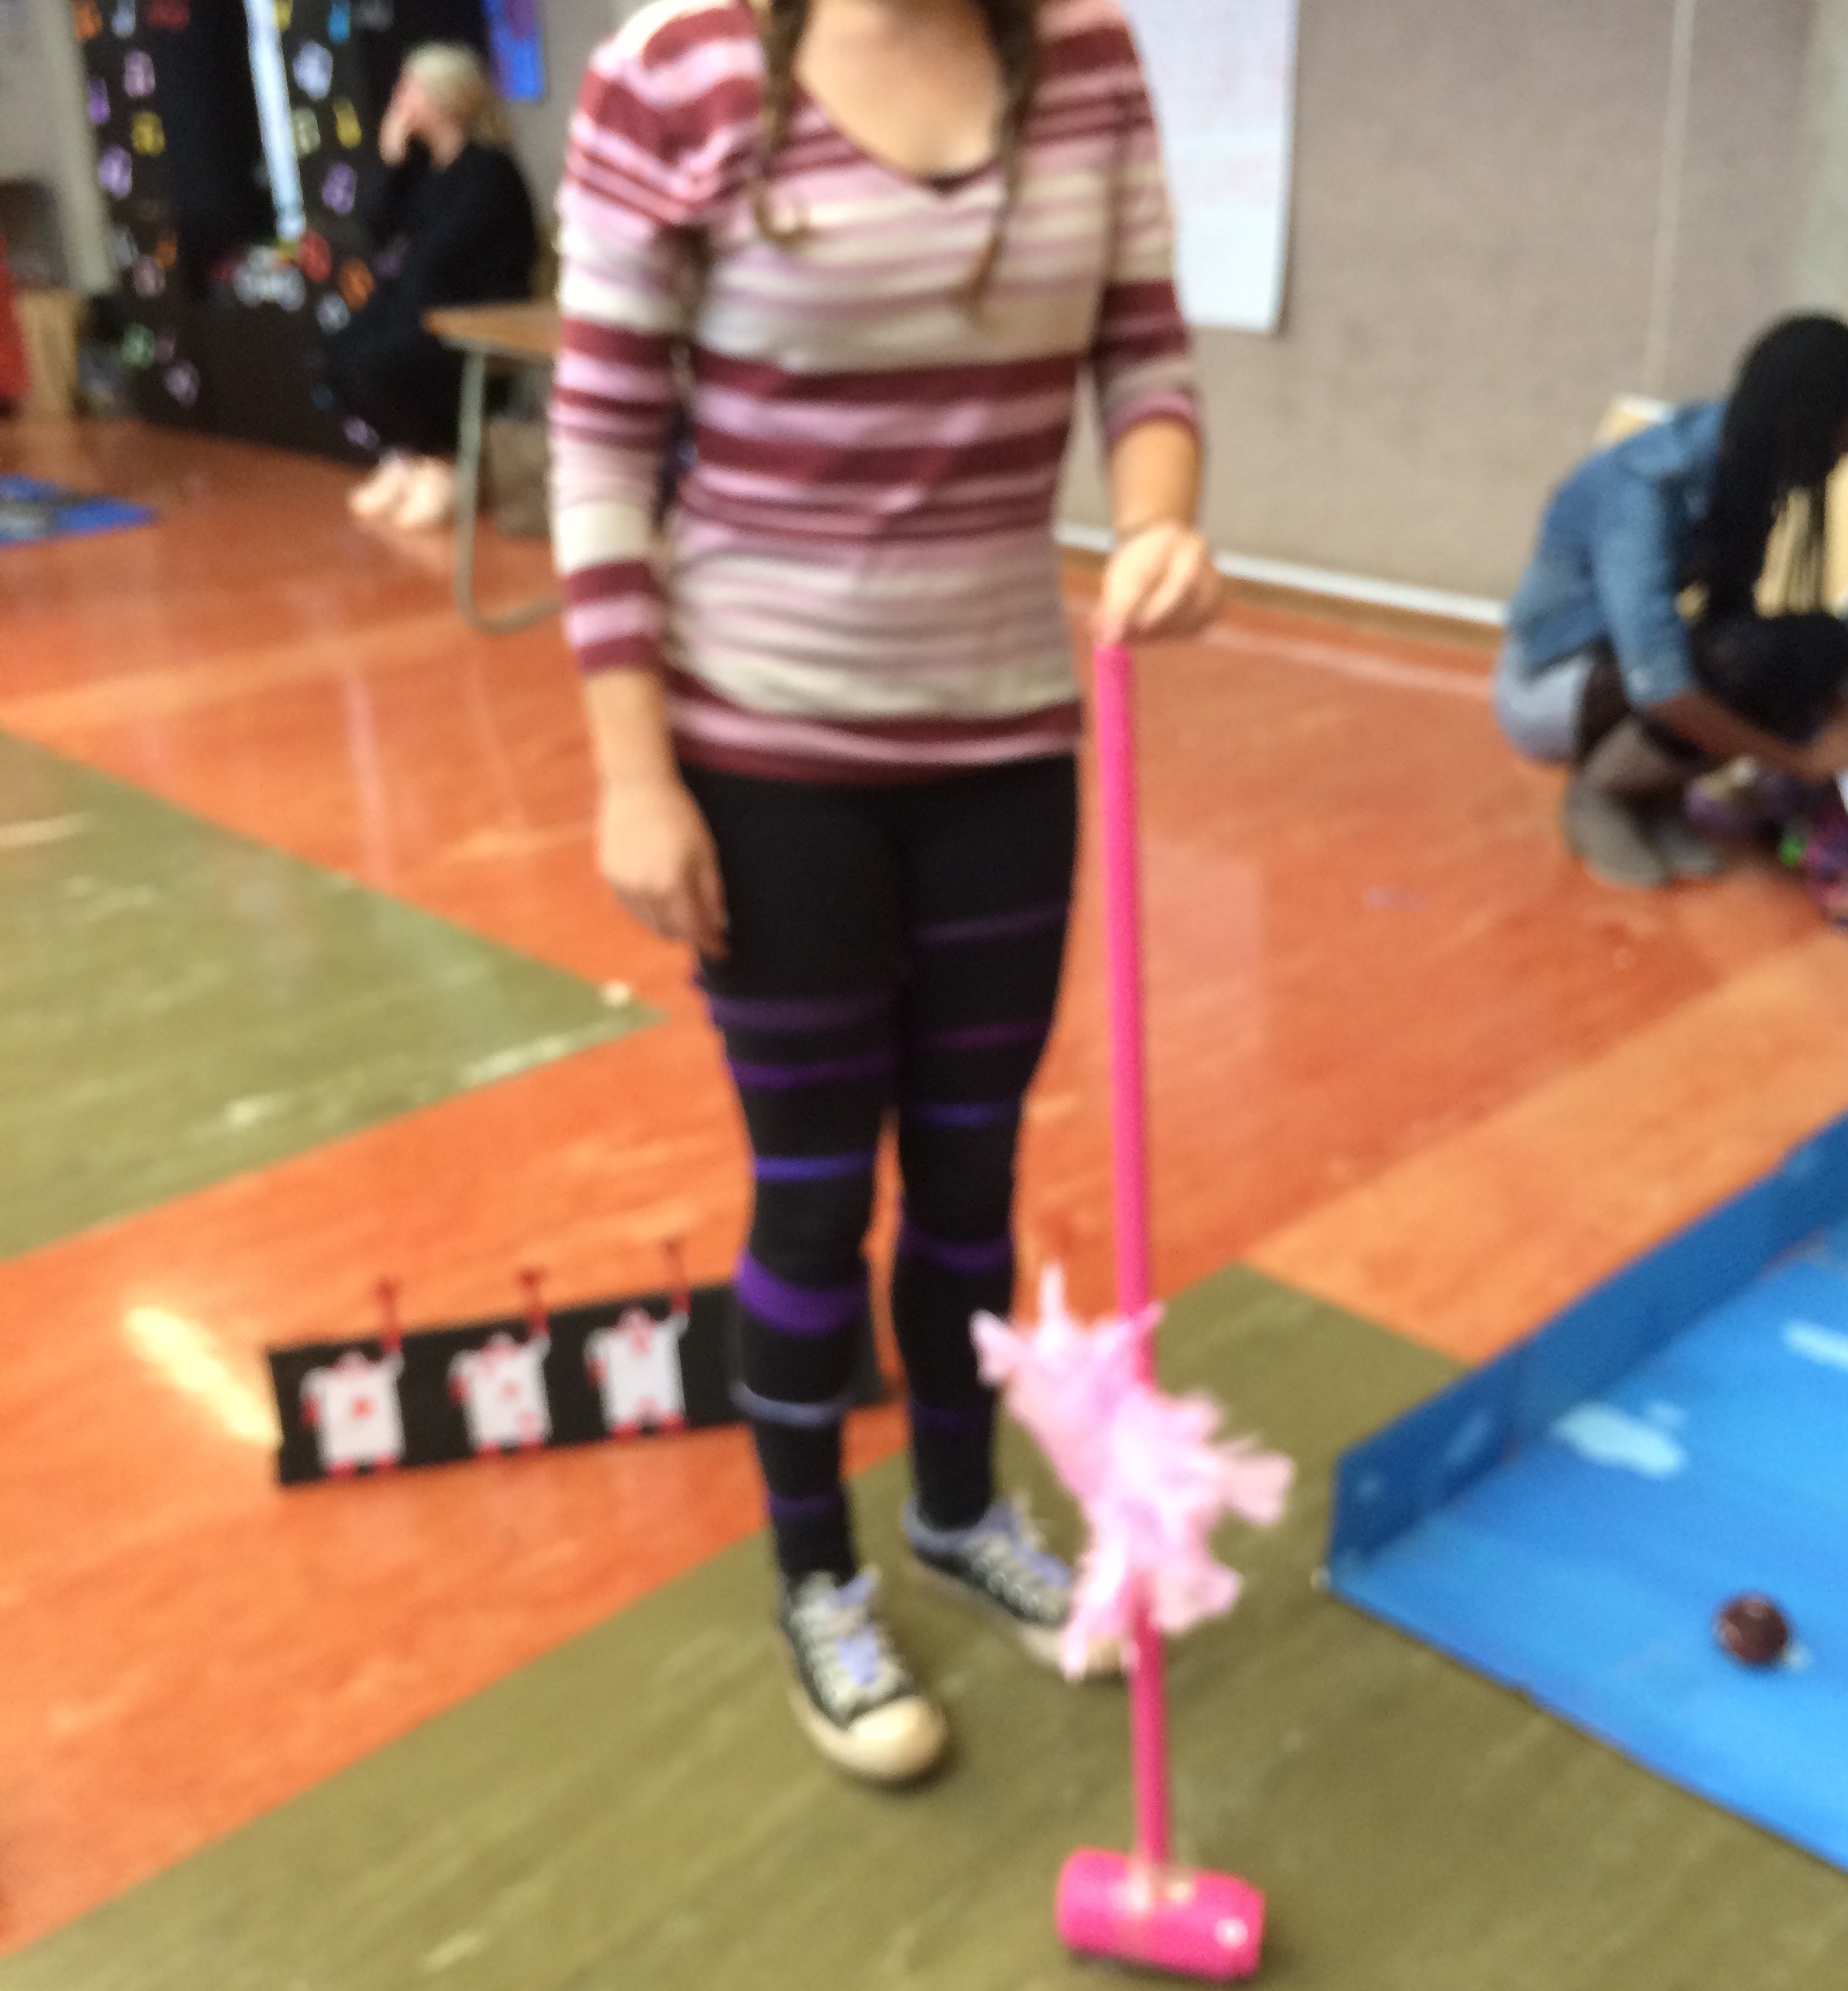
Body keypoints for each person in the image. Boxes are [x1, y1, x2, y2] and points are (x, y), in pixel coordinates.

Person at [551, 0, 1221, 1784]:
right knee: (815, 1191)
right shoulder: (675, 73)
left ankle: (952, 1507)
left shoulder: (1083, 55)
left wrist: (1159, 515)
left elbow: (1143, 357)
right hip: (765, 751)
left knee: (973, 1178)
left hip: (1003, 743)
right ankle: (816, 1579)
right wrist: (633, 774)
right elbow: (600, 448)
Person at [1498, 315, 1848, 890]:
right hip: (1550, 688)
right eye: (1847, 429)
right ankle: (1599, 794)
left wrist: (1837, 710)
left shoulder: (1743, 463)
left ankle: (1656, 797)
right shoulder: (1646, 487)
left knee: (1813, 646)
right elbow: (1661, 685)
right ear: (1805, 423)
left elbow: (1731, 619)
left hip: (1619, 669)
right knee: (1745, 661)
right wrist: (1800, 759)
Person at [328, 46, 537, 529]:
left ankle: (441, 461)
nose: (399, 97)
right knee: (337, 353)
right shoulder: (422, 170)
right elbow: (377, 229)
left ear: (445, 98)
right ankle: (407, 454)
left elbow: (445, 257)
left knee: (385, 358)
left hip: (476, 309)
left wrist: (401, 286)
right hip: (424, 302)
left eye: (410, 87)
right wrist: (391, 160)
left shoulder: (489, 171)